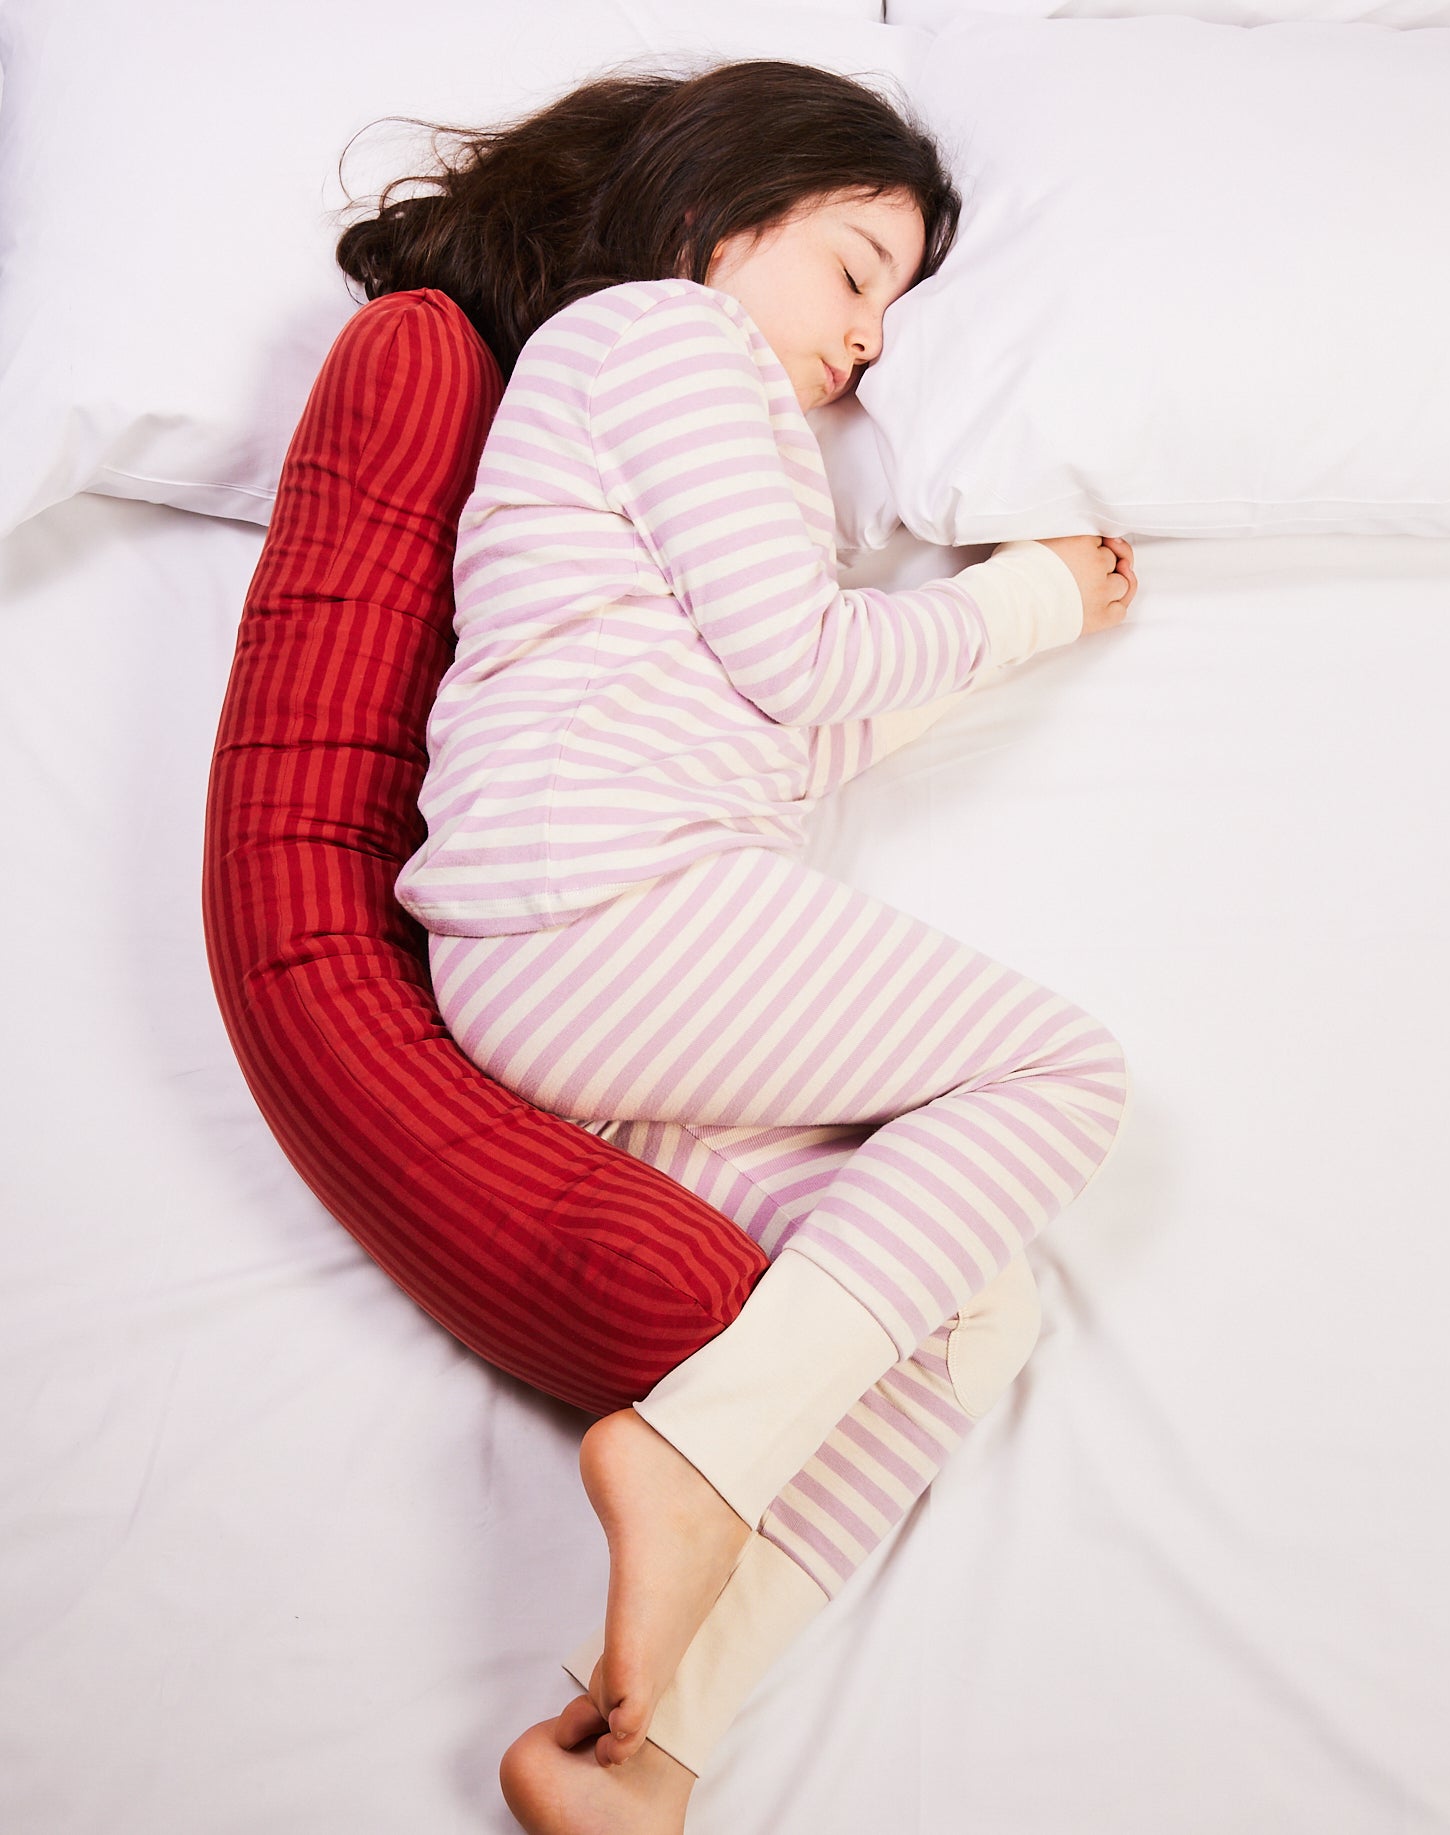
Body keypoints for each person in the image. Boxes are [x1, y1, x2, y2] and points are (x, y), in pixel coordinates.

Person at [341, 58, 1135, 1835]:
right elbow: (806, 663)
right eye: (857, 270)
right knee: (1062, 1070)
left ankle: (652, 1740)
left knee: (972, 1305)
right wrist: (1020, 599)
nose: (872, 344)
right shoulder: (656, 341)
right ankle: (697, 1454)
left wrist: (1008, 639)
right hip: (604, 900)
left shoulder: (711, 441)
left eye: (900, 306)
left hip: (588, 948)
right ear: (716, 219)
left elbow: (785, 725)